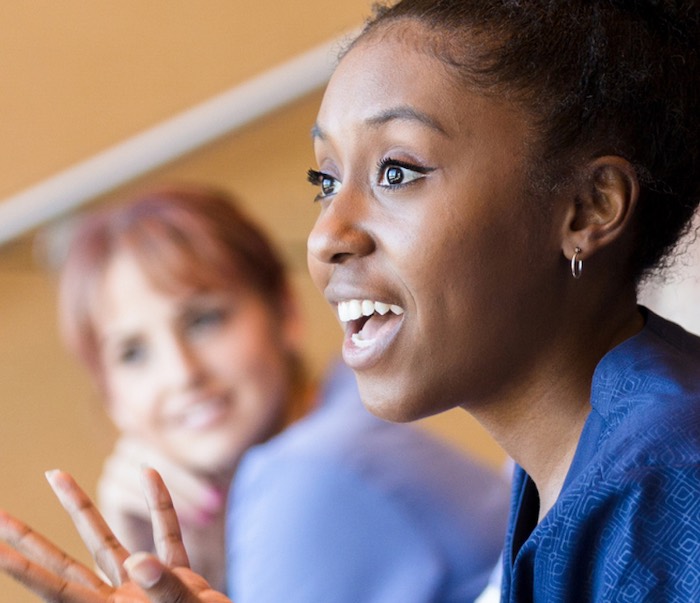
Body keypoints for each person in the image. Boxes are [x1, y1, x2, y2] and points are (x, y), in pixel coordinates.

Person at [0, 0, 699, 601]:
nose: (326, 236)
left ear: (587, 207)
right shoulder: (574, 467)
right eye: (325, 181)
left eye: (396, 171)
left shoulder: (653, 487)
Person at [44, 184, 511, 601]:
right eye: (133, 353)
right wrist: (158, 562)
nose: (182, 372)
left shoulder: (302, 475)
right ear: (112, 400)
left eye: (204, 320)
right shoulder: (340, 409)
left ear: (284, 312)